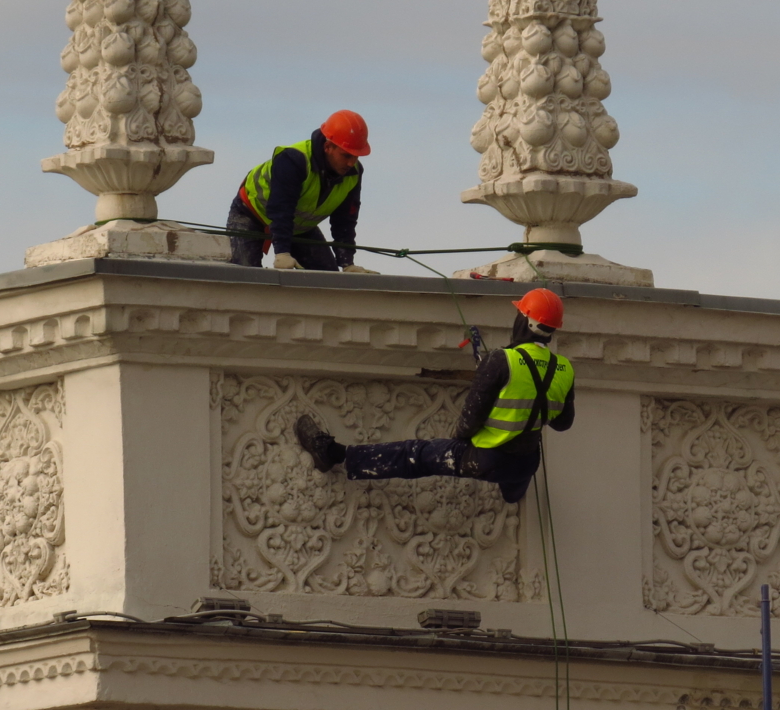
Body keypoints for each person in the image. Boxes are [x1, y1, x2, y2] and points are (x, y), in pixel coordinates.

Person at [294, 288, 575, 504]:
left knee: (415, 455)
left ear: (524, 319)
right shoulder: (565, 368)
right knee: (519, 462)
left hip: (487, 459)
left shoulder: (502, 361)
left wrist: (457, 444)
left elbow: (469, 421)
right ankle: (512, 496)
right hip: (524, 465)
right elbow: (563, 423)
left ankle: (333, 454)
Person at [229, 110, 377, 274]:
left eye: (356, 156)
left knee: (330, 279)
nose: (351, 163)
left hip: (299, 228)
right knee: (247, 276)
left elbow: (345, 221)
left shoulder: (354, 173)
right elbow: (281, 209)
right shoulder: (293, 160)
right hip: (251, 214)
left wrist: (347, 263)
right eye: (346, 156)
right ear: (328, 147)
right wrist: (282, 253)